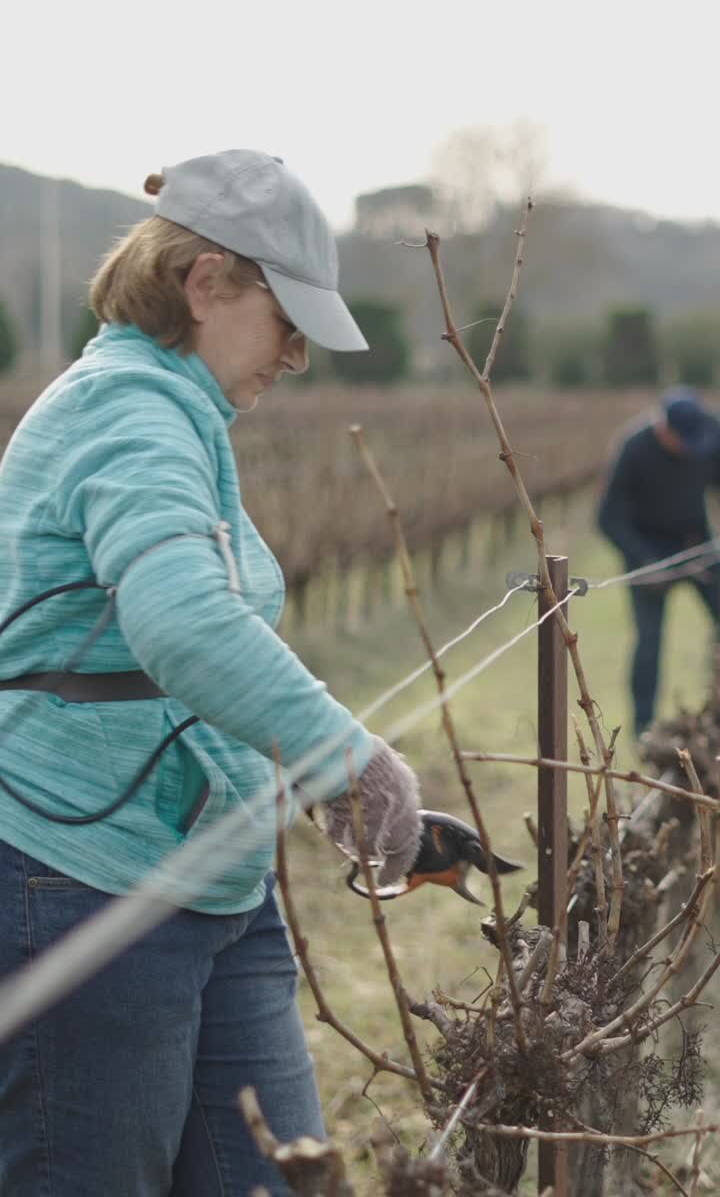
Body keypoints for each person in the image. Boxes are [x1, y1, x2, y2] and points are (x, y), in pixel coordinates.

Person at [0, 150, 423, 1196]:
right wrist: (344, 761)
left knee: (274, 1177)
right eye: (290, 322)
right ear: (206, 283)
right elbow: (182, 623)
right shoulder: (127, 412)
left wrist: (288, 771)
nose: (299, 357)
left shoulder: (178, 413)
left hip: (213, 883)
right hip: (86, 888)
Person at [597, 386, 720, 736]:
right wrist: (645, 560)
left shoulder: (710, 432)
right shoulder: (633, 449)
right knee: (649, 643)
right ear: (663, 428)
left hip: (696, 542)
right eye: (681, 441)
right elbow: (607, 518)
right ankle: (644, 730)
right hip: (647, 551)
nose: (688, 451)